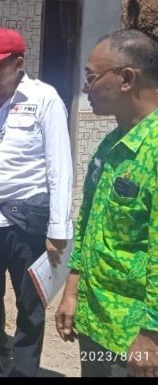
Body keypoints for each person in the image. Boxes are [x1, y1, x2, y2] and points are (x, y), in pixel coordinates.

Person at [0, 28, 73, 377]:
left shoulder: (45, 99)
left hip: (27, 221)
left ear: (19, 62)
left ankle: (23, 371)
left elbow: (59, 169)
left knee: (30, 305)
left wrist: (58, 230)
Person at [55, 29, 158, 378]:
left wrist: (151, 335)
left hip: (135, 336)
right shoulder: (112, 144)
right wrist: (72, 292)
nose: (86, 88)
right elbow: (87, 223)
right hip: (96, 321)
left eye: (91, 77)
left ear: (126, 78)